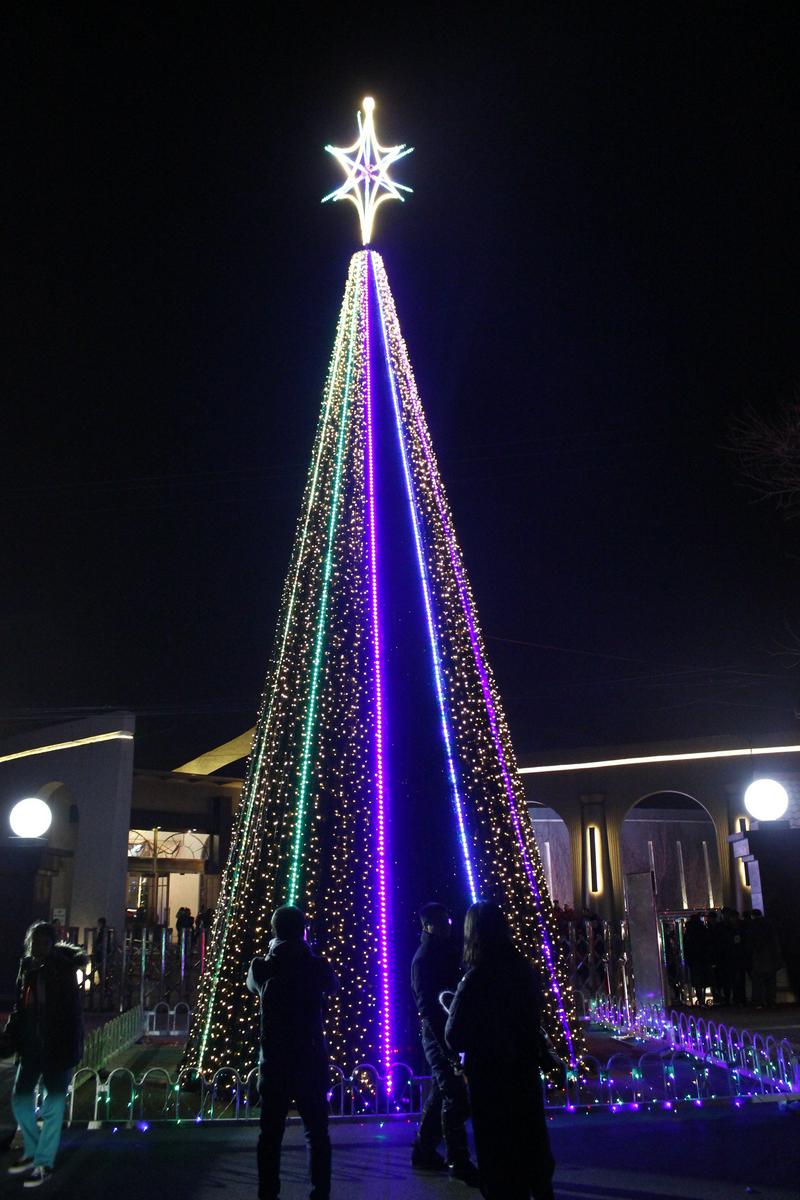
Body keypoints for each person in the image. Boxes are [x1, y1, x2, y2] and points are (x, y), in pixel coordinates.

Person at [445, 901, 555, 1200]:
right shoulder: (524, 970)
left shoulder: (476, 978)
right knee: (530, 1138)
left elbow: (453, 1034)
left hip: (489, 1078)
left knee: (497, 1152)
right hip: (523, 1070)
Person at [246, 905, 337, 1200]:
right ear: (303, 931)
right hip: (310, 1061)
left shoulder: (263, 966)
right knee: (317, 1133)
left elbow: (253, 986)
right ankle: (319, 1191)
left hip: (275, 1063)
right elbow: (332, 986)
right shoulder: (315, 965)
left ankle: (268, 1192)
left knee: (270, 1135)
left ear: (274, 931)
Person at [4, 921, 87, 1188]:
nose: (38, 947)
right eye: (35, 942)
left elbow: (71, 1014)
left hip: (57, 1046)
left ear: (52, 945)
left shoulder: (62, 970)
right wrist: (12, 1034)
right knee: (20, 1098)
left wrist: (69, 1045)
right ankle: (32, 1149)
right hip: (31, 1046)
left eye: (43, 942)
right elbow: (20, 1005)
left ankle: (44, 1162)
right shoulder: (27, 968)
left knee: (53, 1106)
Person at [410, 901, 478, 1185]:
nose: (448, 925)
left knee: (443, 1091)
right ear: (428, 926)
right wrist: (447, 1047)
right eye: (442, 921)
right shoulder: (425, 958)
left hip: (446, 1030)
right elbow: (428, 1007)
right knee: (453, 1093)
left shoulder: (443, 953)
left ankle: (424, 1149)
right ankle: (458, 1159)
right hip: (438, 1033)